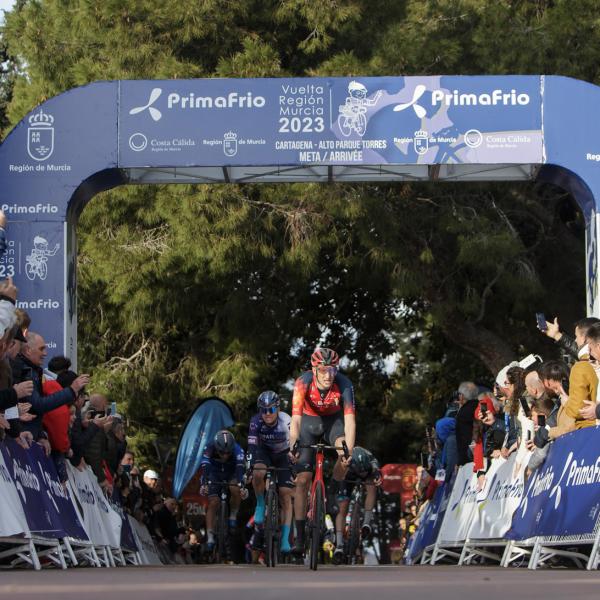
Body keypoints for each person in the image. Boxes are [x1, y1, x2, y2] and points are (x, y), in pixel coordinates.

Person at [289, 347, 356, 555]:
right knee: (302, 480)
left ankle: (335, 488)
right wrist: (293, 444)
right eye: (324, 370)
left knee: (344, 451)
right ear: (315, 369)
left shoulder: (344, 385)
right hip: (308, 423)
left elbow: (350, 421)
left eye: (333, 370)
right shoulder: (303, 383)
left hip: (332, 423)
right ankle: (300, 538)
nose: (329, 375)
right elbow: (296, 419)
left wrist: (349, 452)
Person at [247, 390, 293, 554]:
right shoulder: (255, 422)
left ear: (278, 409)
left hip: (283, 455)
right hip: (264, 452)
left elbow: (295, 442)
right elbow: (252, 447)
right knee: (258, 473)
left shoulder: (286, 420)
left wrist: (294, 454)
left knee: (286, 494)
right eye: (263, 410)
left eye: (271, 410)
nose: (267, 414)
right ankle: (260, 503)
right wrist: (249, 467)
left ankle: (286, 539)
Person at [332, 446, 381, 565]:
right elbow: (338, 477)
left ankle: (366, 523)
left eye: (363, 471)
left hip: (368, 473)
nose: (362, 473)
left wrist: (376, 478)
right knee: (342, 508)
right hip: (348, 474)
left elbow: (376, 475)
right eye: (361, 471)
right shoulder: (346, 460)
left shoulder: (372, 461)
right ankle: (339, 545)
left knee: (372, 488)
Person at [199, 430, 246, 551]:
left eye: (228, 453)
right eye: (221, 452)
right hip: (215, 473)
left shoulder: (238, 449)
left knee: (235, 488)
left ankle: (233, 515)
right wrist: (204, 483)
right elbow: (205, 466)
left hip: (232, 472)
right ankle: (210, 536)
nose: (225, 455)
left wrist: (241, 486)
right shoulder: (209, 447)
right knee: (213, 502)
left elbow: (240, 469)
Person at [455, 381, 479, 466]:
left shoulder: (463, 413)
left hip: (468, 457)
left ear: (462, 396)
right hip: (480, 450)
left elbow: (463, 437)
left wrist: (461, 461)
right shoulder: (480, 406)